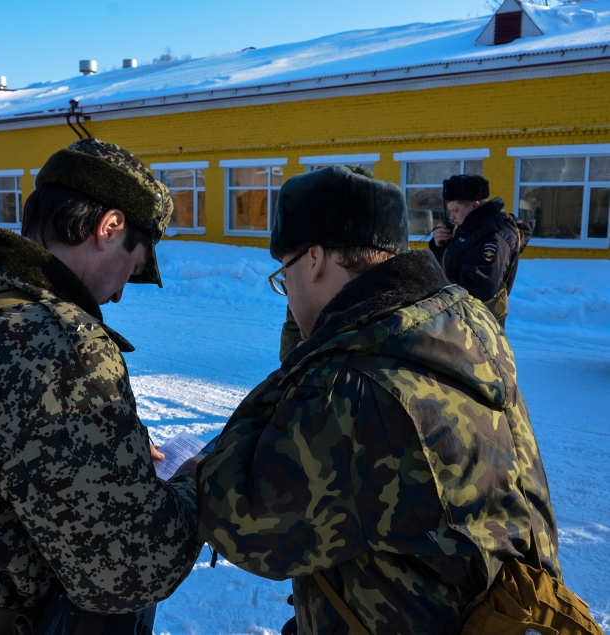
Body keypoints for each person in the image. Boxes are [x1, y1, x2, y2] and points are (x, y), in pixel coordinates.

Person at [197, 166, 560, 635]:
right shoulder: (461, 318)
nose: (286, 291)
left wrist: (197, 467)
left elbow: (246, 523)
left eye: (283, 274)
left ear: (314, 260)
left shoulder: (350, 383)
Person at [0, 138, 201, 634]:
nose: (115, 295)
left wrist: (105, 449)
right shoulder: (64, 345)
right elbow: (130, 570)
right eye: (130, 271)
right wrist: (193, 483)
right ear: (109, 228)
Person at [429, 174, 534, 328]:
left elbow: (478, 287)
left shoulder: (493, 235)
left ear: (475, 205)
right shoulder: (470, 227)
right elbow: (452, 267)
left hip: (479, 325)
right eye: (450, 210)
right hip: (458, 317)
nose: (452, 216)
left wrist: (430, 287)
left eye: (456, 210)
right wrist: (440, 246)